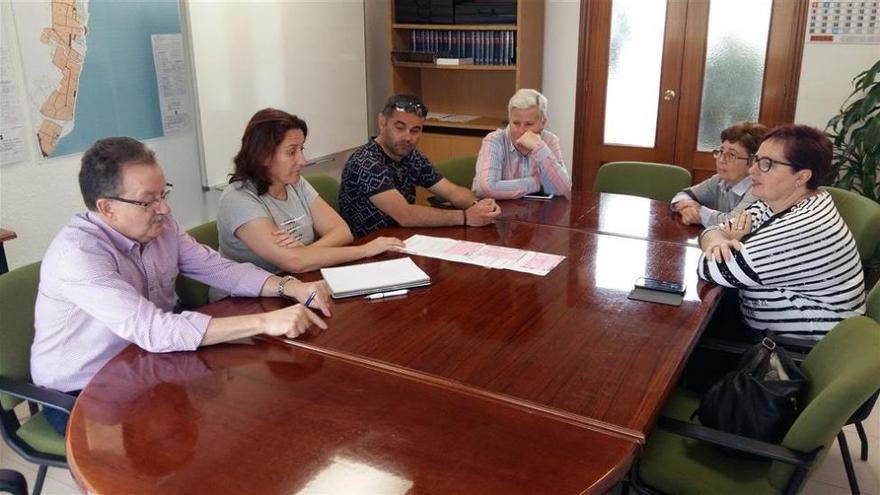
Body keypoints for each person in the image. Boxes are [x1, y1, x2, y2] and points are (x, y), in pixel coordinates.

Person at [31, 137, 332, 435]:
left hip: (149, 362)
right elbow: (155, 330)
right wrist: (265, 321)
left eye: (164, 194)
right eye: (149, 200)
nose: (164, 209)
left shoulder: (160, 227)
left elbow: (220, 269)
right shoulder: (79, 256)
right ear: (107, 208)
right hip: (81, 390)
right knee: (207, 432)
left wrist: (288, 287)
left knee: (254, 405)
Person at [698, 124, 865, 340]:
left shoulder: (804, 225)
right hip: (761, 322)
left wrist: (723, 240)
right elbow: (716, 230)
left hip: (790, 348)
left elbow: (710, 268)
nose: (752, 170)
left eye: (767, 164)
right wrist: (719, 239)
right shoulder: (779, 201)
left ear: (802, 176)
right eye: (756, 160)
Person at [217, 108, 404, 276]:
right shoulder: (238, 198)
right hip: (242, 301)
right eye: (291, 152)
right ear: (263, 155)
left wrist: (306, 253)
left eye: (301, 149)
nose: (302, 161)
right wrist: (365, 250)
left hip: (297, 282)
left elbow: (342, 232)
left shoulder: (295, 182)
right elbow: (294, 262)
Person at [339, 94, 501, 238]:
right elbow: (405, 215)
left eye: (415, 130)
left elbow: (451, 191)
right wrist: (465, 217)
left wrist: (479, 206)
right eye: (400, 127)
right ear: (382, 122)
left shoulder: (412, 156)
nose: (408, 137)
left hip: (403, 240)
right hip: (367, 251)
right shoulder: (365, 161)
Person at [472, 89, 571, 199]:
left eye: (529, 124)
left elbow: (563, 188)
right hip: (499, 212)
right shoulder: (494, 140)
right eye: (516, 123)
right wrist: (537, 182)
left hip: (539, 213)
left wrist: (539, 148)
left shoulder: (549, 140)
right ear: (509, 119)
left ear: (542, 122)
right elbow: (486, 188)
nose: (521, 131)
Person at [671, 122, 767, 227]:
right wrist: (688, 209)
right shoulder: (720, 180)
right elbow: (682, 195)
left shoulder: (758, 189)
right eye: (721, 151)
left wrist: (700, 212)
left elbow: (734, 224)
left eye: (731, 155)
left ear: (753, 161)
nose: (721, 160)